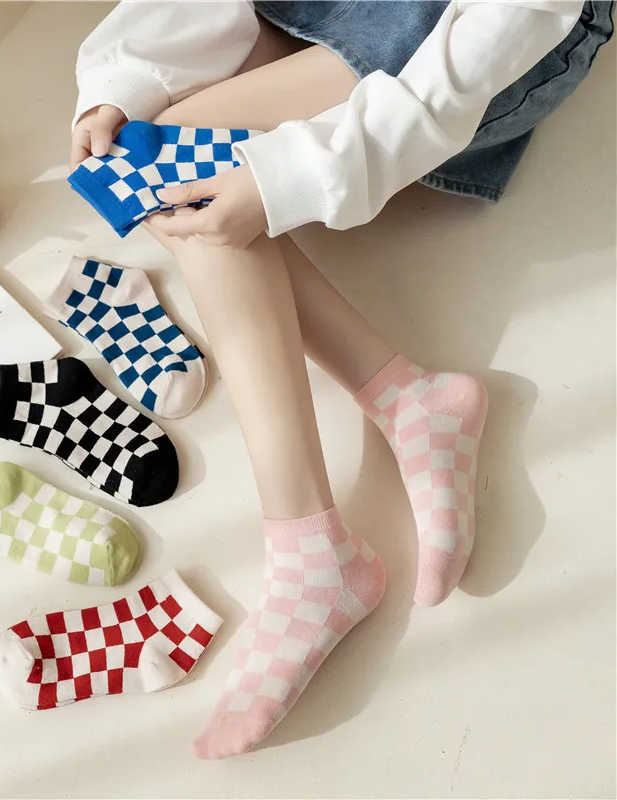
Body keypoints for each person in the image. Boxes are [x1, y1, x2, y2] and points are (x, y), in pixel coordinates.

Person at [69, 0, 614, 759]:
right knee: (137, 148)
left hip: (490, 42)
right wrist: (120, 81)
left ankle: (310, 545)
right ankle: (404, 403)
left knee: (159, 163)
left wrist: (289, 178)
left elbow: (491, 41)